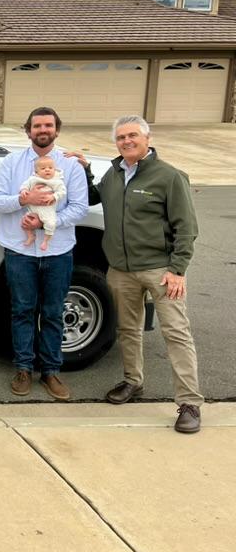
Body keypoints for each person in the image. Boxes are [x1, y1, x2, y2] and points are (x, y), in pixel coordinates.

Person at [67, 116, 203, 433]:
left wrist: (178, 269)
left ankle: (189, 403)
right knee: (128, 330)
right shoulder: (113, 175)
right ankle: (132, 382)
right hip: (120, 271)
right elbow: (90, 198)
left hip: (160, 270)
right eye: (121, 137)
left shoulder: (169, 177)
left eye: (132, 136)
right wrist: (85, 169)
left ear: (146, 137)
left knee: (177, 334)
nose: (126, 141)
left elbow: (187, 228)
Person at [0, 107, 88, 400]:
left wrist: (48, 221)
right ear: (28, 130)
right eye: (36, 126)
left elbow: (79, 207)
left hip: (57, 250)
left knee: (53, 313)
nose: (42, 130)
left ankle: (51, 372)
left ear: (56, 130)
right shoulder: (12, 162)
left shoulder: (70, 166)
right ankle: (23, 368)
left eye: (48, 125)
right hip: (19, 250)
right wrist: (24, 199)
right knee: (22, 310)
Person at [20, 156, 67, 251]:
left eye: (50, 168)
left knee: (50, 223)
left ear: (54, 169)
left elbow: (62, 192)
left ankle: (46, 241)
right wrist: (24, 190)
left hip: (47, 208)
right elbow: (25, 185)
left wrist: (53, 196)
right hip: (33, 208)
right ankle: (30, 236)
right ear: (36, 171)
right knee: (24, 222)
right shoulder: (33, 179)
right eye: (43, 168)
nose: (47, 170)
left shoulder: (57, 181)